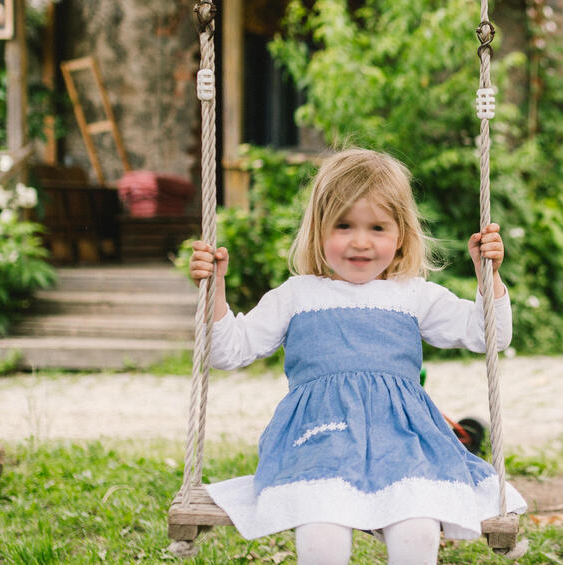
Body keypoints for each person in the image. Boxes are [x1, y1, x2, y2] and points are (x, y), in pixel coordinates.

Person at [189, 148, 527, 565]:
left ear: (400, 234)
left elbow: (488, 335)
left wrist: (487, 277)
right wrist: (214, 291)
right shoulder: (298, 295)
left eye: (378, 227)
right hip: (320, 443)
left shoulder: (411, 293)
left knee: (418, 529)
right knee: (320, 533)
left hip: (403, 445)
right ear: (318, 230)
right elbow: (229, 351)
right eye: (344, 225)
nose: (361, 241)